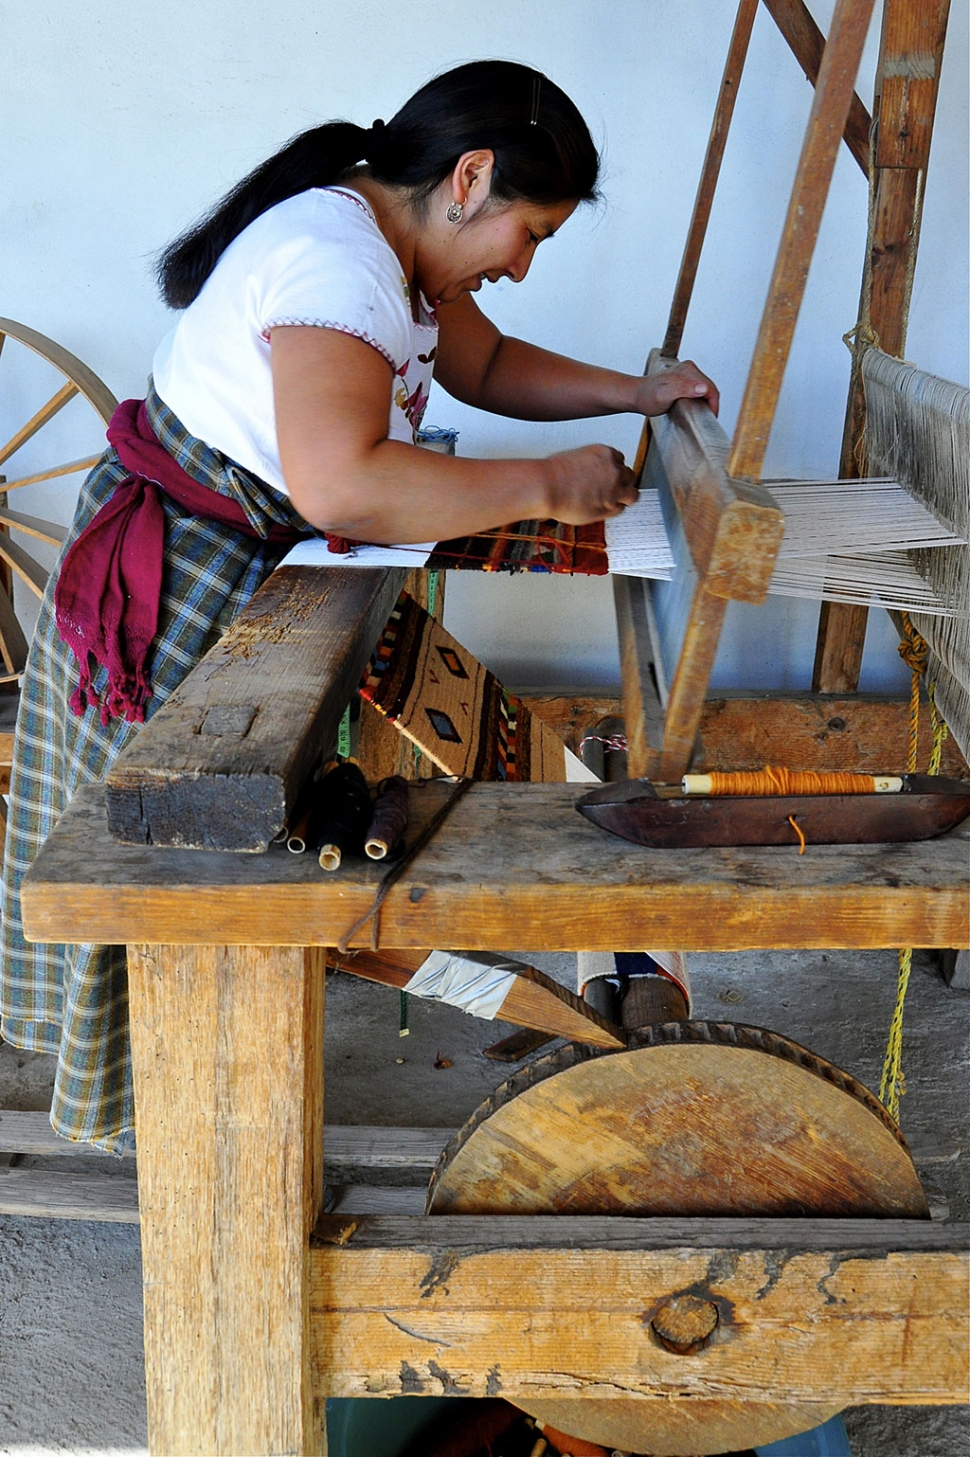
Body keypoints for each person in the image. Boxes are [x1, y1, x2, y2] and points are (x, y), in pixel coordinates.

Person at [0, 59, 717, 1152]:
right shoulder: (335, 262)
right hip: (183, 577)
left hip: (246, 551)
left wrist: (632, 391)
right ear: (469, 178)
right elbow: (341, 482)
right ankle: (186, 1122)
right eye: (528, 234)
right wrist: (539, 484)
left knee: (208, 849)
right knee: (169, 856)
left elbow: (486, 365)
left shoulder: (396, 254)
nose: (520, 266)